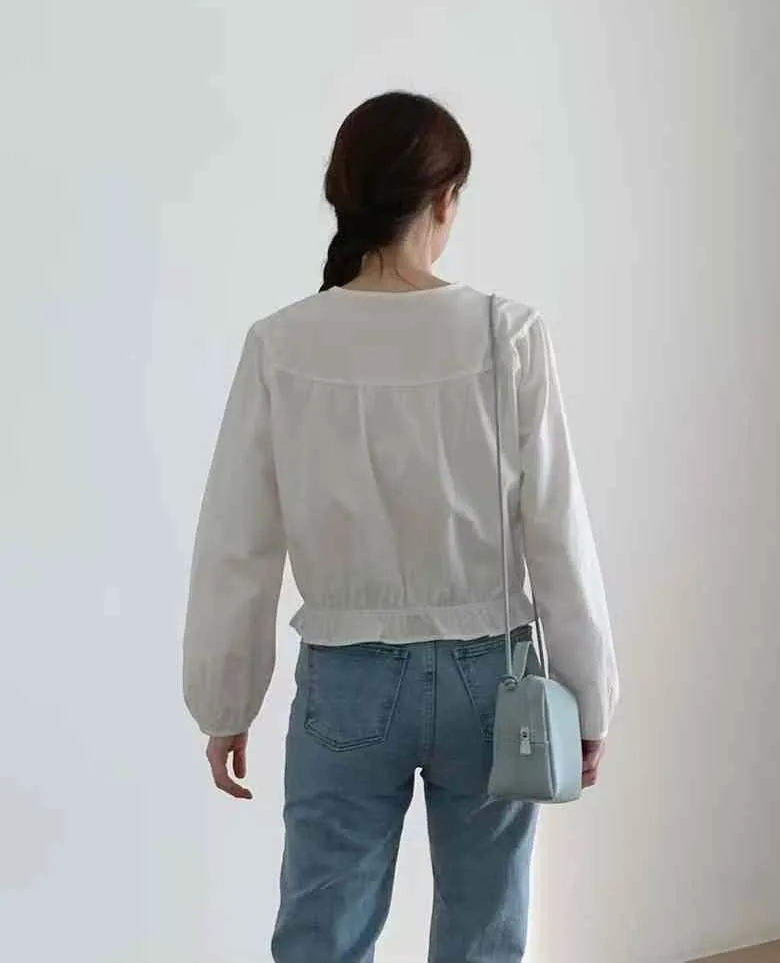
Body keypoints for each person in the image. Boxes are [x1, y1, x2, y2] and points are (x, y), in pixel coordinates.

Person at [182, 90, 619, 963]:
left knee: (322, 934)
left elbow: (239, 540)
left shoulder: (282, 342)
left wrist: (225, 700)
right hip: (493, 683)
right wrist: (590, 693)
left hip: (345, 681)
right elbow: (557, 533)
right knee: (484, 932)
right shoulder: (509, 334)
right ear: (445, 199)